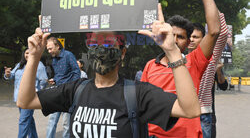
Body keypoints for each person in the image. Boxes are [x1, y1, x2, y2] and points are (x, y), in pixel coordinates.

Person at [17, 8, 202, 137]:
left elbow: (190, 110)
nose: (100, 48)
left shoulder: (138, 94)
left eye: (107, 43)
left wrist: (172, 51)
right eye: (94, 43)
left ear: (122, 52)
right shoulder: (75, 90)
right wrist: (33, 57)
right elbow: (25, 101)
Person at [141, 0, 221, 138]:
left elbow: (214, 31)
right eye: (172, 35)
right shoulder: (150, 65)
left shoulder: (194, 61)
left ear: (188, 41)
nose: (175, 40)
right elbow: (143, 102)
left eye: (181, 37)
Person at [188, 11, 228, 138]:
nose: (191, 40)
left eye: (195, 37)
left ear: (204, 39)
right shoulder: (176, 58)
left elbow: (221, 34)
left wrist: (210, 0)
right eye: (188, 36)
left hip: (202, 114)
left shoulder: (210, 59)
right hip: (179, 114)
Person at [4, 48, 47, 138]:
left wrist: (36, 92)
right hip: (19, 97)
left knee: (23, 120)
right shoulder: (20, 64)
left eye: (30, 53)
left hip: (30, 97)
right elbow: (12, 75)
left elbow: (43, 80)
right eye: (26, 53)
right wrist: (7, 74)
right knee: (28, 120)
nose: (28, 55)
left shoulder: (38, 65)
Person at [46, 37, 81, 138]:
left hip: (67, 94)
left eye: (50, 48)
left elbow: (76, 72)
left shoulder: (68, 55)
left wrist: (69, 87)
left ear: (57, 46)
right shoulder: (54, 59)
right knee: (52, 121)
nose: (49, 51)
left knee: (66, 124)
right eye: (48, 49)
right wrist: (54, 80)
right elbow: (59, 75)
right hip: (57, 92)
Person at [211, 62, 228, 138]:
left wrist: (218, 71)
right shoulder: (186, 61)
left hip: (208, 113)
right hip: (188, 112)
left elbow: (223, 86)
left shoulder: (212, 63)